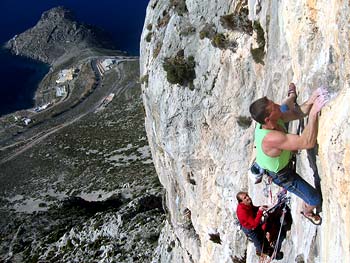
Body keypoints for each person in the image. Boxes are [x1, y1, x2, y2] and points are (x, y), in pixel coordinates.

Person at [249, 83, 328, 225]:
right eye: (274, 107)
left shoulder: (271, 120)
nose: (277, 106)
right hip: (283, 175)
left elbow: (297, 113)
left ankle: (291, 96)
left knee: (286, 107)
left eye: (274, 104)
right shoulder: (271, 138)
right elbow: (307, 142)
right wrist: (314, 113)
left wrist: (311, 100)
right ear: (267, 119)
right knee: (315, 200)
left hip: (278, 155)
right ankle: (307, 211)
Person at [236, 191, 284, 260]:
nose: (248, 198)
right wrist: (260, 211)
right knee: (259, 243)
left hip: (252, 222)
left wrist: (261, 208)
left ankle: (268, 248)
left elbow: (253, 209)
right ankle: (265, 252)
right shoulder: (242, 212)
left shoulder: (247, 203)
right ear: (241, 202)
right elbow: (254, 225)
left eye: (247, 195)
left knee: (262, 235)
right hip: (250, 228)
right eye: (245, 198)